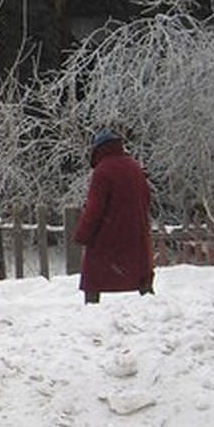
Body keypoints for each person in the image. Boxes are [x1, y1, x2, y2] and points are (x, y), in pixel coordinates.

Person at [73, 128, 154, 304]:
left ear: (98, 150)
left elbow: (94, 208)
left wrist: (82, 234)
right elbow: (147, 198)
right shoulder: (134, 166)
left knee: (94, 274)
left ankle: (91, 307)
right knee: (139, 271)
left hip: (109, 236)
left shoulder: (103, 171)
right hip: (136, 235)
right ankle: (150, 303)